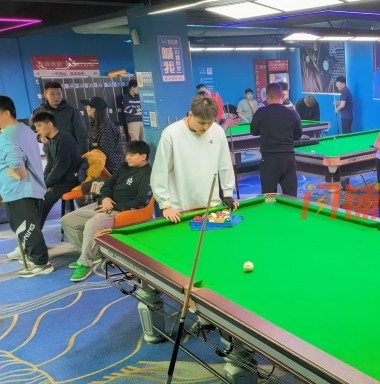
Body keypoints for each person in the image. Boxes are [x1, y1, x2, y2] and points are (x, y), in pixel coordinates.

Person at [60, 141, 152, 282]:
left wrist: (114, 207)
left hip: (121, 211)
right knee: (67, 220)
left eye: (132, 155)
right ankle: (92, 254)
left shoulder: (148, 174)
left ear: (143, 156)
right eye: (127, 154)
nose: (127, 157)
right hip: (103, 205)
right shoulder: (124, 167)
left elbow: (140, 201)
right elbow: (107, 185)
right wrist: (106, 199)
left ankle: (85, 263)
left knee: (92, 224)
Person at [151, 95, 237, 223]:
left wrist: (228, 194)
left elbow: (225, 165)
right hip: (178, 210)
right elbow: (160, 171)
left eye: (210, 122)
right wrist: (165, 205)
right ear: (190, 114)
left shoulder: (218, 131)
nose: (206, 127)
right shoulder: (170, 134)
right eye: (201, 123)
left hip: (211, 206)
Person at [0, 96, 54, 277]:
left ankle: (41, 263)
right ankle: (37, 259)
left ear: (6, 113)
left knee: (26, 229)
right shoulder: (24, 130)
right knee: (31, 228)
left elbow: (17, 165)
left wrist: (16, 172)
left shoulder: (7, 135)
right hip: (32, 188)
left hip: (18, 191)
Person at [31, 112, 83, 227]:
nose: (37, 130)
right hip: (60, 179)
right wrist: (44, 183)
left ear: (50, 124)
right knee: (36, 195)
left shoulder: (64, 139)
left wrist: (46, 185)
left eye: (39, 126)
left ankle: (34, 233)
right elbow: (50, 165)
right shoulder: (50, 141)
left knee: (43, 200)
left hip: (70, 179)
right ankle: (33, 233)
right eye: (36, 127)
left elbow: (61, 167)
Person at [250, 82, 302, 197]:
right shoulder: (292, 113)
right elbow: (298, 135)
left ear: (267, 97)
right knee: (291, 196)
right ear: (282, 96)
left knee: (269, 197)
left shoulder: (261, 112)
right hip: (288, 158)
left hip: (269, 159)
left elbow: (253, 131)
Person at [33, 81, 88, 154]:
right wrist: (40, 138)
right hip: (51, 152)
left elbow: (81, 134)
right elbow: (35, 130)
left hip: (70, 151)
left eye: (59, 93)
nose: (56, 97)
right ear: (45, 94)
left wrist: (84, 153)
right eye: (52, 94)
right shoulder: (39, 111)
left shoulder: (72, 111)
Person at [82, 96, 124, 174]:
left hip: (110, 168)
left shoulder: (106, 127)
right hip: (102, 165)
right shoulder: (96, 124)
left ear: (93, 110)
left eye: (87, 107)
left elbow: (105, 152)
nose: (86, 108)